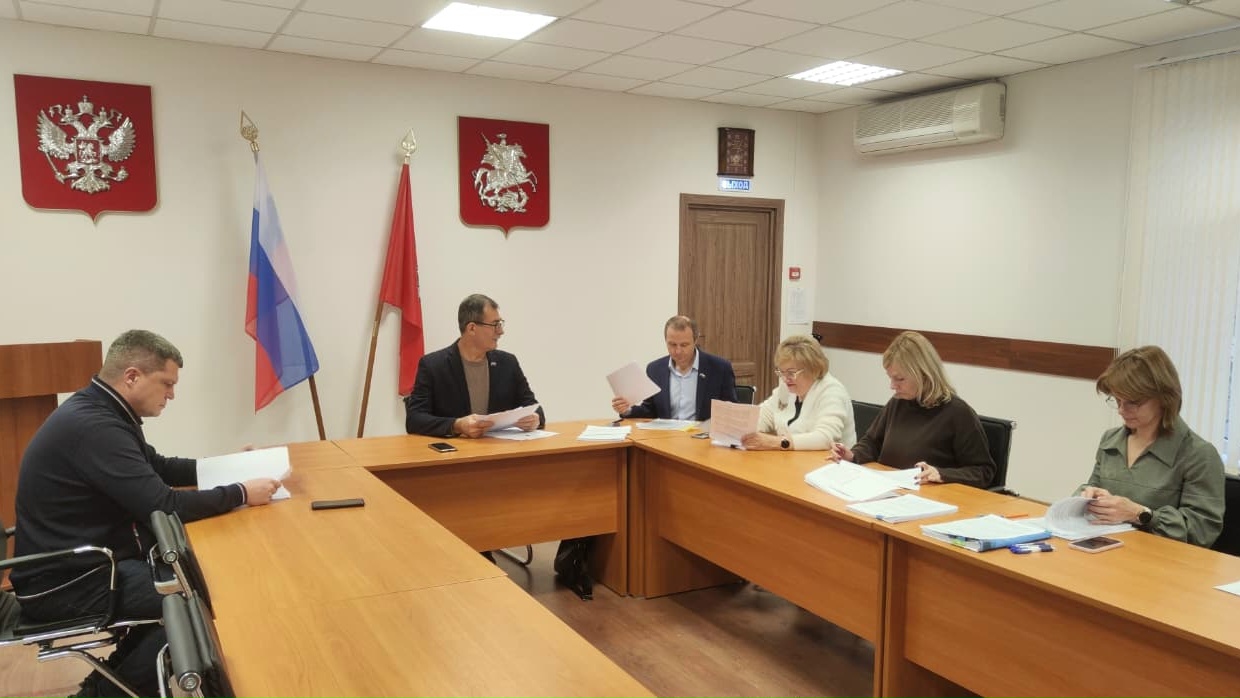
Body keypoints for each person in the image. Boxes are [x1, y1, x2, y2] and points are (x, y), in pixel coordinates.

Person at [11, 330, 281, 698]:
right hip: (64, 584)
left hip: (84, 568)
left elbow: (159, 467)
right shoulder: (94, 427)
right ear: (132, 376)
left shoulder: (103, 410)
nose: (172, 394)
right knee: (191, 604)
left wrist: (229, 467)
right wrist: (241, 493)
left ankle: (105, 686)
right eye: (167, 383)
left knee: (184, 590)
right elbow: (165, 505)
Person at [1079, 346, 1224, 547]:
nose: (1121, 410)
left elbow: (1202, 531)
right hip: (1109, 550)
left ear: (1164, 398)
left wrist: (1140, 514)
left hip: (1162, 558)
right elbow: (1093, 486)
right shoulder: (1110, 440)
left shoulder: (1199, 455)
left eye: (1133, 402)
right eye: (1117, 400)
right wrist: (1088, 499)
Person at [832, 331, 995, 488]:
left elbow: (983, 471)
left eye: (899, 379)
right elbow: (872, 442)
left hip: (931, 497)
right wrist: (853, 455)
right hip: (891, 490)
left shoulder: (958, 413)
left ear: (923, 374)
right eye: (890, 378)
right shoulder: (898, 403)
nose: (892, 386)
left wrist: (942, 474)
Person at [404, 293, 545, 437]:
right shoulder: (433, 366)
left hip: (499, 448)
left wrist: (535, 419)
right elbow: (414, 420)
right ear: (472, 328)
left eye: (500, 324)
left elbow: (534, 407)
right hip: (455, 449)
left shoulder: (508, 363)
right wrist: (457, 425)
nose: (501, 331)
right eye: (495, 325)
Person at [611, 315, 738, 421]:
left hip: (702, 439)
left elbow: (732, 411)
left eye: (684, 345)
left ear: (695, 341)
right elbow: (650, 410)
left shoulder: (719, 368)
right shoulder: (655, 369)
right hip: (666, 438)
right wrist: (627, 410)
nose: (678, 351)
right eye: (672, 344)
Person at [742, 335, 855, 451]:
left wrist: (775, 442)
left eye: (791, 373)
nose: (785, 379)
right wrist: (743, 429)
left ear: (813, 368)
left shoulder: (832, 391)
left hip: (828, 460)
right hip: (793, 458)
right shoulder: (787, 388)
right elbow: (762, 415)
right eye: (781, 372)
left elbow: (826, 438)